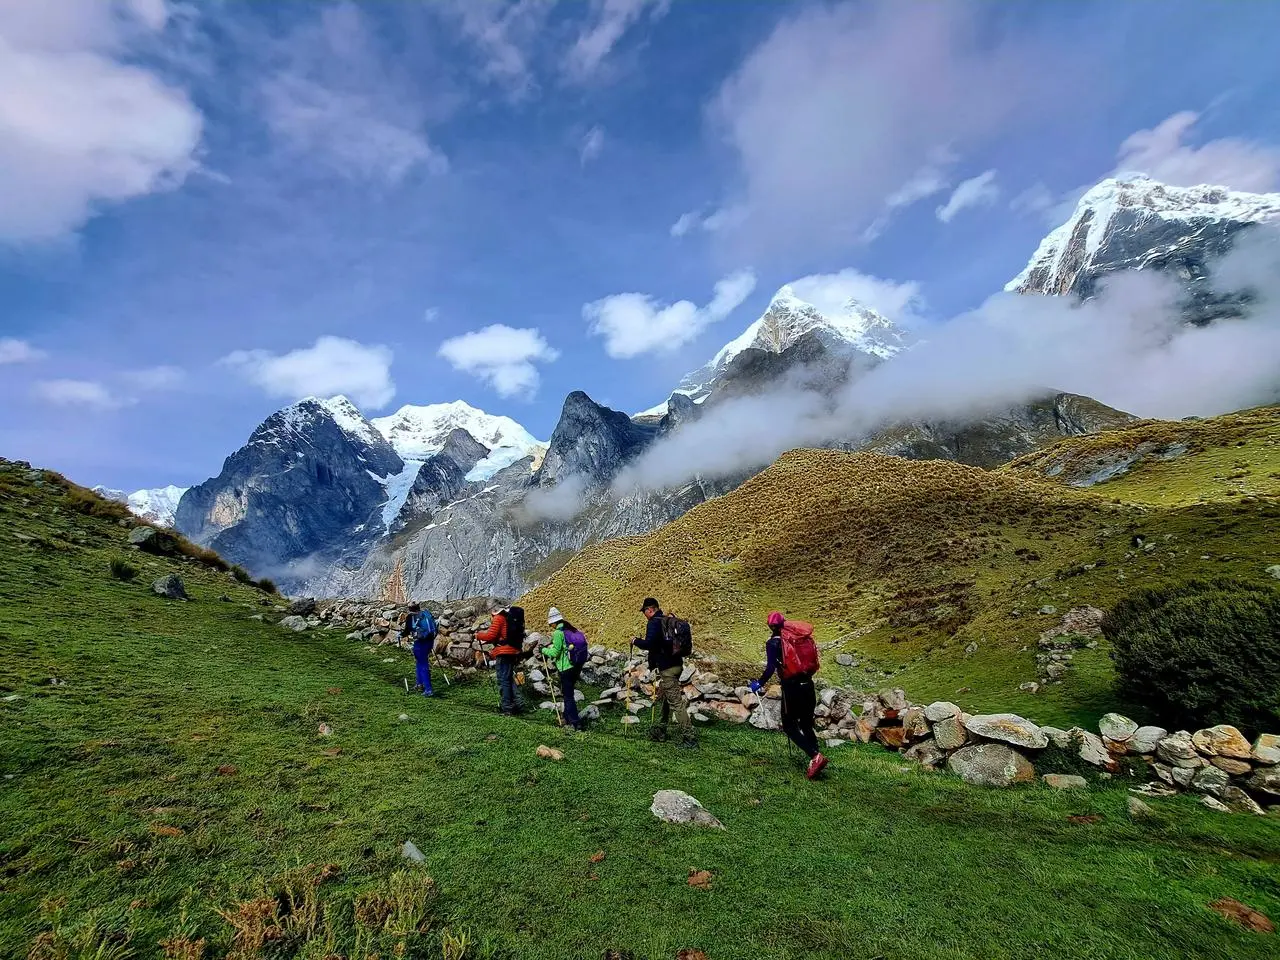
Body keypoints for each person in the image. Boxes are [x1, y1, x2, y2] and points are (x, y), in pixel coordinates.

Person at [751, 611, 827, 779]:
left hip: (791, 687)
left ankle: (815, 756)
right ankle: (816, 757)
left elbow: (771, 668)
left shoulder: (773, 643)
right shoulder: (799, 639)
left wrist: (759, 683)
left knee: (789, 725)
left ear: (770, 626)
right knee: (806, 723)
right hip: (808, 683)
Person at [633, 597, 696, 749]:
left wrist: (635, 641)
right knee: (665, 698)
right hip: (677, 665)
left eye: (645, 611)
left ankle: (690, 738)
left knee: (676, 703)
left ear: (650, 609)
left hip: (667, 669)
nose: (644, 615)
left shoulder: (654, 622)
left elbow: (649, 644)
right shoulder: (666, 620)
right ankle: (660, 729)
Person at [476, 603, 525, 715]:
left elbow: (491, 636)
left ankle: (507, 707)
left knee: (503, 680)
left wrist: (477, 635)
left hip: (504, 652)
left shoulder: (498, 618)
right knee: (508, 679)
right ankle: (518, 703)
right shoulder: (508, 618)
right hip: (513, 650)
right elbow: (502, 636)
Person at [542, 608, 586, 731]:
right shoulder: (570, 629)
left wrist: (544, 650)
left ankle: (575, 723)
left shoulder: (557, 633)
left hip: (565, 668)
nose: (550, 626)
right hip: (575, 666)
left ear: (554, 622)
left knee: (568, 696)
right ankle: (567, 717)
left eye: (550, 623)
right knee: (569, 693)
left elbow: (555, 652)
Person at [405, 602, 438, 697]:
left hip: (420, 642)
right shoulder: (426, 614)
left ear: (410, 609)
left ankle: (428, 689)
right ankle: (419, 684)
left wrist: (401, 635)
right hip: (429, 641)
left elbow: (407, 630)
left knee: (423, 664)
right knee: (421, 661)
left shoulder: (411, 617)